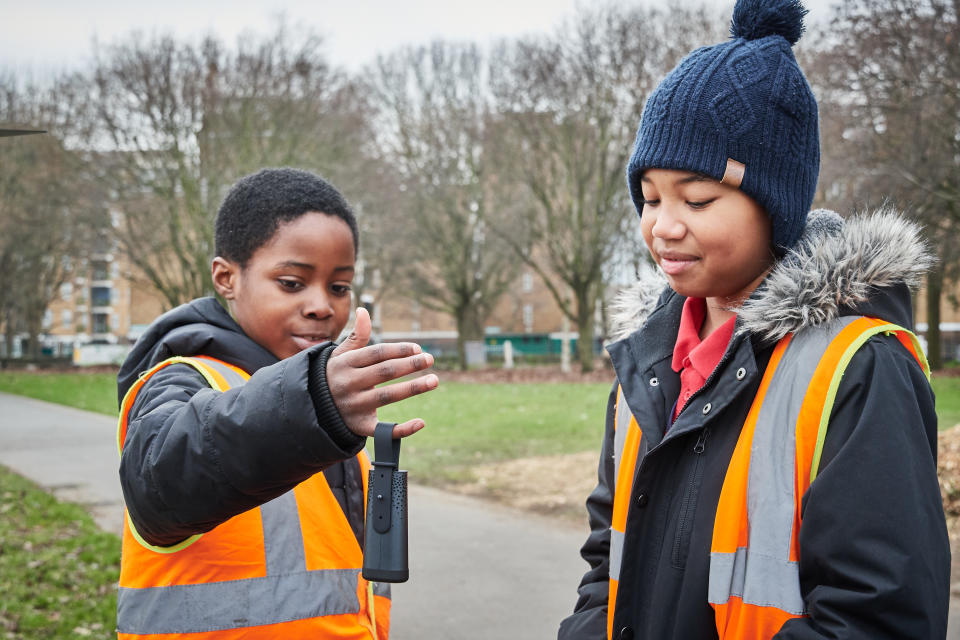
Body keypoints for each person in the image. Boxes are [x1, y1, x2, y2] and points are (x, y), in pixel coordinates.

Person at [557, 0, 950, 638]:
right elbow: (609, 559)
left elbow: (879, 616)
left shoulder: (859, 368)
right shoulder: (646, 361)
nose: (664, 225)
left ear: (777, 207)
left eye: (699, 198)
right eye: (650, 197)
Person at [114, 167, 438, 639]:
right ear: (227, 277)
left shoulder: (328, 412)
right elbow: (159, 481)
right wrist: (316, 401)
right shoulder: (183, 380)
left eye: (339, 287)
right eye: (291, 282)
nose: (322, 306)